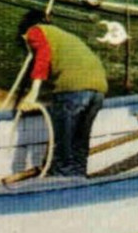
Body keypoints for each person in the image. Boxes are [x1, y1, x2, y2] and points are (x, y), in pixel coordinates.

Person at [11, 11, 107, 177]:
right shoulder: (62, 36)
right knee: (79, 143)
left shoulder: (35, 31)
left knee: (63, 143)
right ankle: (78, 179)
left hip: (73, 89)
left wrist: (32, 95)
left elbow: (43, 57)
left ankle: (60, 182)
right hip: (98, 90)